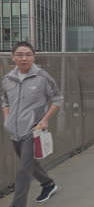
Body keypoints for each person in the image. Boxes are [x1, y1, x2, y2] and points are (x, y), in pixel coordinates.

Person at [2, 41, 63, 207]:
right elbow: (4, 99)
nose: (24, 58)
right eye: (20, 55)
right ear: (13, 57)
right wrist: (7, 118)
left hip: (33, 130)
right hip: (14, 130)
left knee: (23, 170)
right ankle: (48, 184)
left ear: (33, 57)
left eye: (28, 55)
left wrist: (45, 119)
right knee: (28, 162)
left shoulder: (42, 77)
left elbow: (58, 98)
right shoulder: (8, 78)